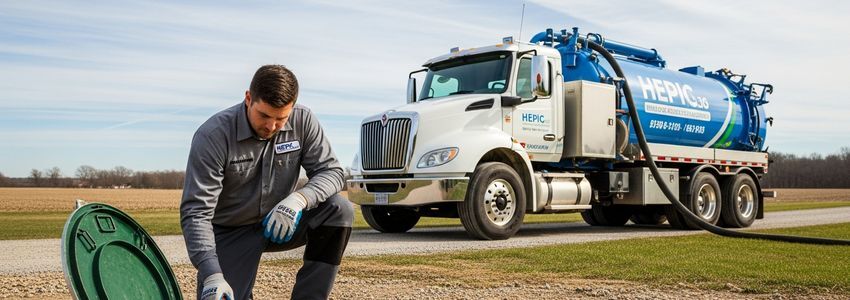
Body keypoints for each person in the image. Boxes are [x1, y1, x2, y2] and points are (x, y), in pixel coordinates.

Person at [180, 64, 353, 300]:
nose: (271, 126)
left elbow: (332, 172)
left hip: (283, 220)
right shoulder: (213, 136)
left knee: (338, 209)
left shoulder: (303, 120)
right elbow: (196, 212)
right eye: (264, 115)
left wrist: (298, 199)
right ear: (248, 99)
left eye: (281, 118)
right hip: (231, 231)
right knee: (221, 295)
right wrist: (211, 273)